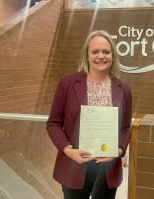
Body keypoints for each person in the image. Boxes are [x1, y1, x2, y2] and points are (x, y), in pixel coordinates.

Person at [46, 30, 132, 199]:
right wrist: (68, 151)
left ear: (113, 56)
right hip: (74, 165)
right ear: (87, 55)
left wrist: (119, 150)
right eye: (95, 52)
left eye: (106, 52)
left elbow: (126, 127)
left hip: (107, 169)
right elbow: (53, 123)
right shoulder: (68, 84)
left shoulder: (124, 89)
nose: (101, 56)